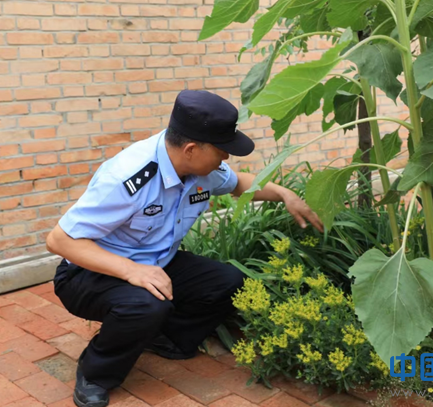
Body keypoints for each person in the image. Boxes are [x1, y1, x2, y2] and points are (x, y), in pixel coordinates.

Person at [45, 89, 324, 407]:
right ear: (191, 149)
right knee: (147, 304)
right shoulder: (127, 177)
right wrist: (132, 270)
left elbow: (237, 183)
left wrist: (284, 194)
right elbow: (59, 240)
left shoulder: (199, 168)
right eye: (222, 150)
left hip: (153, 263)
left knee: (228, 281)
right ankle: (95, 373)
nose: (226, 158)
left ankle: (163, 339)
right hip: (88, 273)